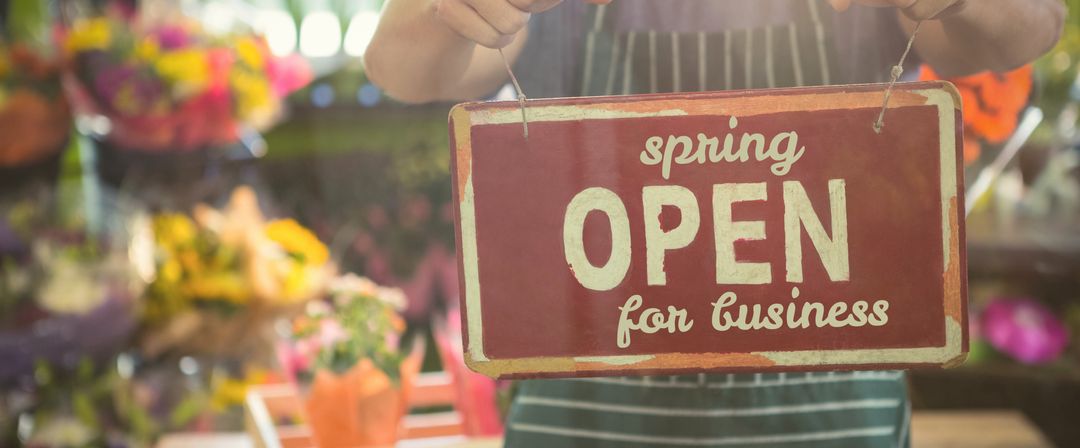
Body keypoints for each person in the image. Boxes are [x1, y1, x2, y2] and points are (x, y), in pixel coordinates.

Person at [365, 1, 1065, 447]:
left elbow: (1028, 27)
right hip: (586, 424)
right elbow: (402, 67)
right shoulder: (566, 11)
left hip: (831, 424)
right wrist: (446, 11)